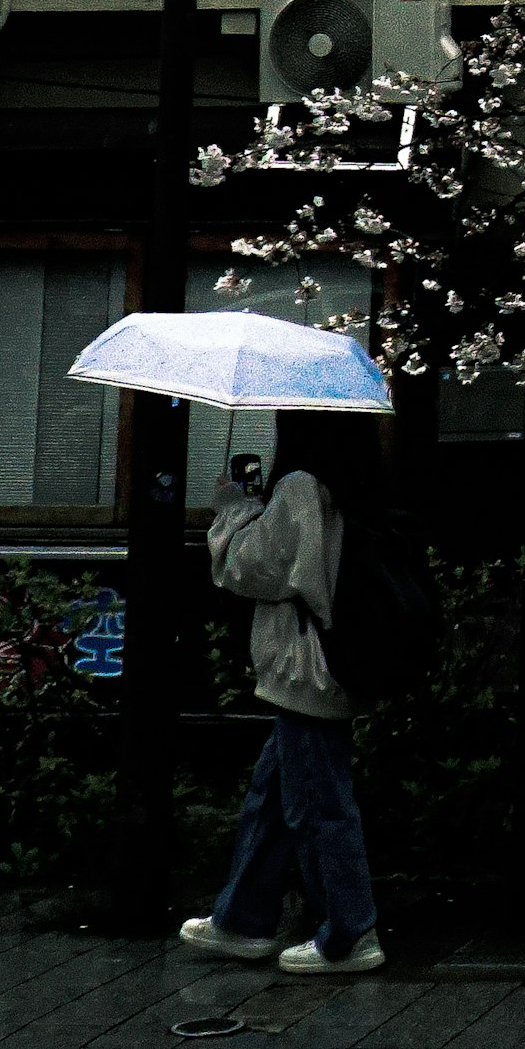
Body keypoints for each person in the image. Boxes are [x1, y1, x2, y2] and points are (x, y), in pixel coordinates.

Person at [178, 410, 392, 976]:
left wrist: (233, 510)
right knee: (275, 796)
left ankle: (350, 933)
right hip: (332, 660)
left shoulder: (302, 487)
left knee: (316, 803)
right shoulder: (360, 484)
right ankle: (243, 919)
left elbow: (253, 570)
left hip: (307, 668)